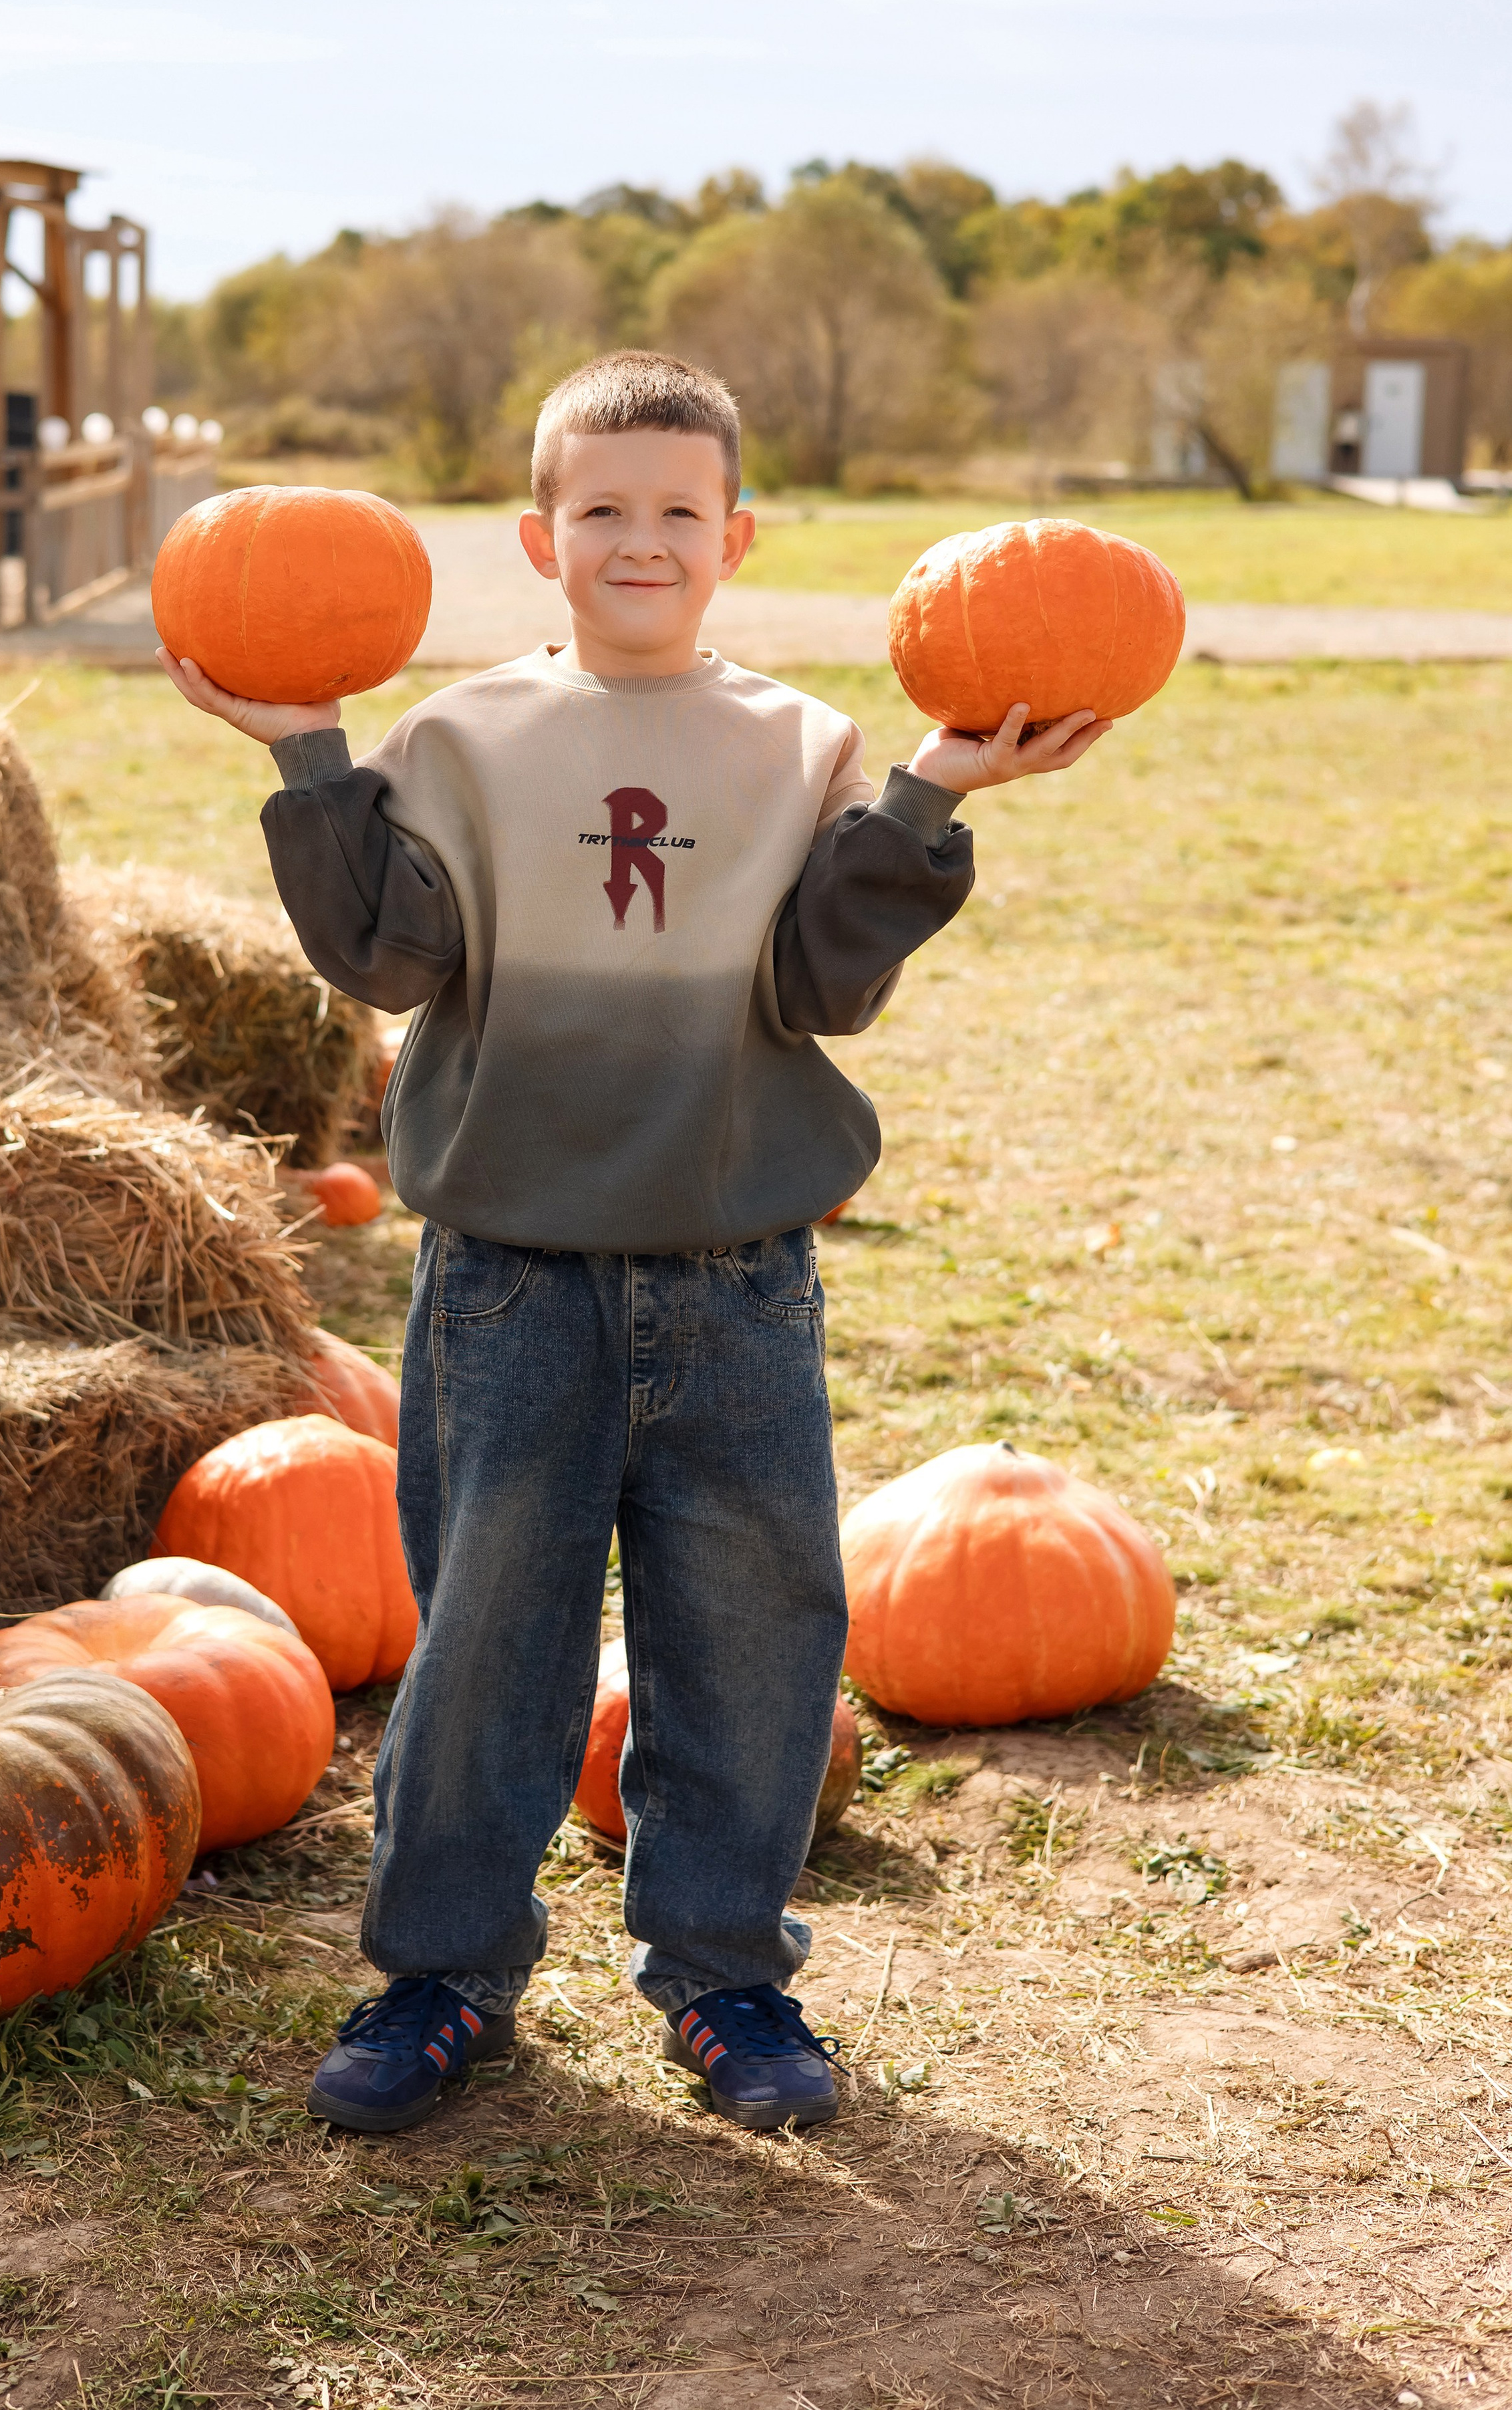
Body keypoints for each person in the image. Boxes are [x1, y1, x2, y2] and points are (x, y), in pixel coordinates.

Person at [159, 350, 1110, 2137]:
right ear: (542, 535)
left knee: (753, 1628)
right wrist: (304, 749)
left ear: (733, 534)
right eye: (604, 510)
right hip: (513, 1273)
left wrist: (927, 790)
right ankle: (441, 1976)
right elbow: (387, 963)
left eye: (679, 510)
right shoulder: (461, 737)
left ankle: (727, 1973)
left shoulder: (801, 742)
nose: (642, 539)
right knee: (488, 1637)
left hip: (737, 1272)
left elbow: (828, 978)